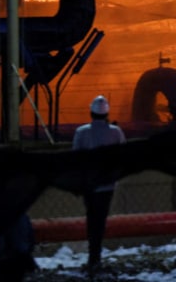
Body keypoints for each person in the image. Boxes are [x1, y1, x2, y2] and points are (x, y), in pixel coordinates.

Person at [72, 94, 127, 278]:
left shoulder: (81, 132)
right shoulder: (116, 132)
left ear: (91, 113)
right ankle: (96, 257)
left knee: (91, 218)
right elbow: (124, 154)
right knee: (100, 221)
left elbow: (75, 158)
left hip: (89, 185)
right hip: (107, 185)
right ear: (107, 114)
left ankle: (92, 257)